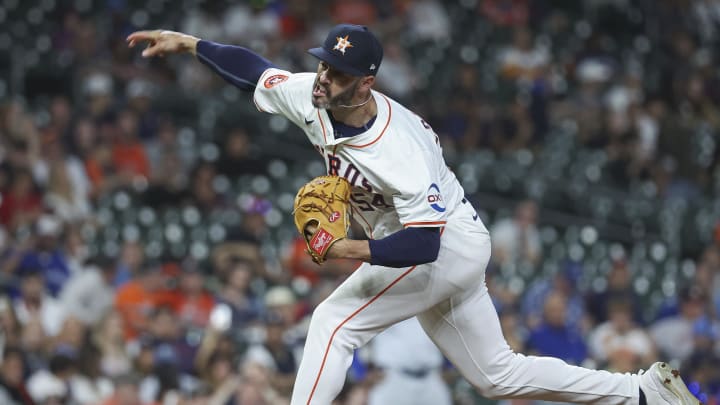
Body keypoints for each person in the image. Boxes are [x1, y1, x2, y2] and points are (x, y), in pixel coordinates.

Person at [127, 24, 701, 405]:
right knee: (495, 375)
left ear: (367, 83)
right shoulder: (314, 93)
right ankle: (643, 392)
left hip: (442, 243)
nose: (326, 78)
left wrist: (345, 249)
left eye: (340, 75)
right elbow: (253, 70)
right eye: (325, 66)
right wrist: (191, 44)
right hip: (436, 242)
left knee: (333, 323)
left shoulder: (395, 149)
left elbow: (424, 244)